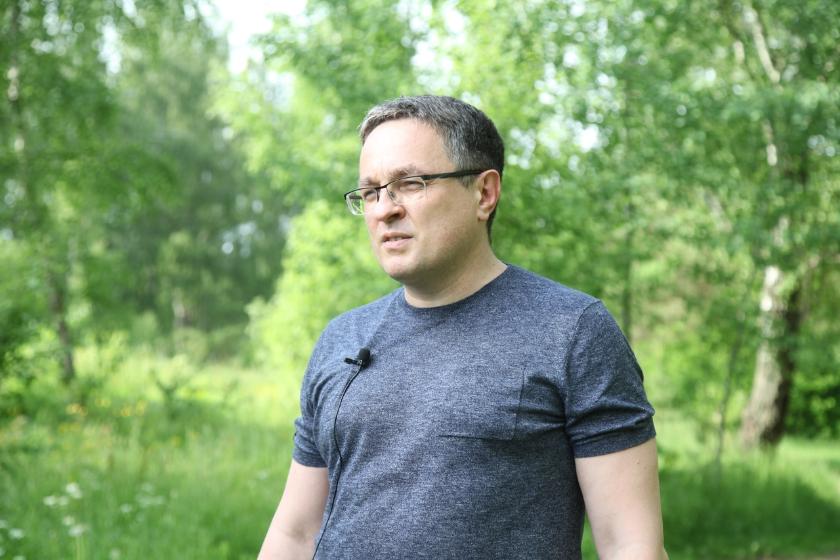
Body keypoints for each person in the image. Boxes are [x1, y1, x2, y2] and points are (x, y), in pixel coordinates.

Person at [258, 95, 667, 559]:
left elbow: (630, 544)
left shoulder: (572, 331)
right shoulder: (343, 339)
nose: (384, 209)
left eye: (410, 183)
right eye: (370, 192)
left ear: (484, 193)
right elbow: (296, 532)